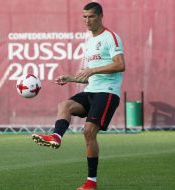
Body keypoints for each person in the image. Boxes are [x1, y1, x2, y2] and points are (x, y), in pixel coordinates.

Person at [32, 2, 125, 190]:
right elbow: (89, 74)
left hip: (107, 92)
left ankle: (91, 182)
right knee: (64, 105)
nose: (87, 20)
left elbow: (120, 65)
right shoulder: (88, 40)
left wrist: (91, 70)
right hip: (90, 90)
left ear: (100, 16)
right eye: (84, 17)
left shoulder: (111, 37)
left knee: (89, 131)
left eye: (91, 16)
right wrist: (72, 78)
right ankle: (56, 136)